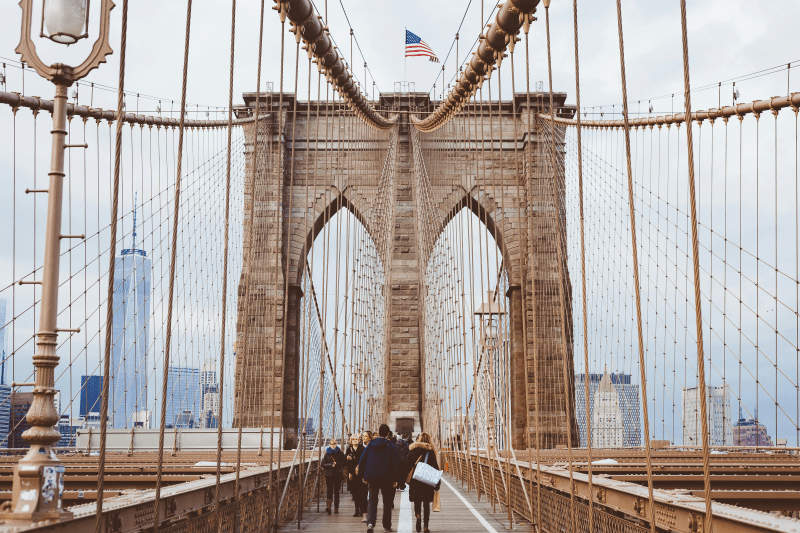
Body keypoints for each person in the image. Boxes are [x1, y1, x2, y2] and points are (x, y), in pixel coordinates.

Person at [358, 423, 399, 533]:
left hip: (372, 477)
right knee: (387, 501)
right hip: (387, 478)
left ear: (379, 432)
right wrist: (396, 479)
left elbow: (362, 460)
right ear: (388, 434)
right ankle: (387, 525)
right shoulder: (391, 446)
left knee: (372, 500)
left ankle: (370, 523)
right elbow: (395, 464)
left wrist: (362, 475)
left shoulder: (371, 445)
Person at [403, 432, 441, 533]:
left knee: (417, 501)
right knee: (426, 504)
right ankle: (425, 526)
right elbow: (435, 469)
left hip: (415, 480)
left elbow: (407, 466)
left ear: (418, 439)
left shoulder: (412, 451)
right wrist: (438, 483)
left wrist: (402, 481)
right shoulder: (431, 452)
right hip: (427, 481)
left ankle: (418, 516)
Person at [345, 433, 367, 520]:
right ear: (351, 441)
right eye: (353, 439)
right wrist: (350, 471)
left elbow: (364, 460)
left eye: (357, 439)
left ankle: (362, 510)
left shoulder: (362, 449)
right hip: (352, 474)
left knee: (362, 492)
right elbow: (346, 462)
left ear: (359, 440)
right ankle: (356, 510)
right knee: (355, 493)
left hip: (360, 474)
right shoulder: (349, 450)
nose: (355, 440)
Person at [322, 438, 346, 514]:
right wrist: (331, 465)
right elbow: (323, 464)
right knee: (329, 491)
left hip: (337, 474)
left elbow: (344, 462)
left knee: (336, 491)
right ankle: (328, 507)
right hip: (329, 475)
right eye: (332, 444)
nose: (333, 445)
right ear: (329, 445)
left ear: (336, 444)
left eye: (334, 444)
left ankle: (336, 507)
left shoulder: (340, 453)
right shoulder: (327, 454)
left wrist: (337, 464)